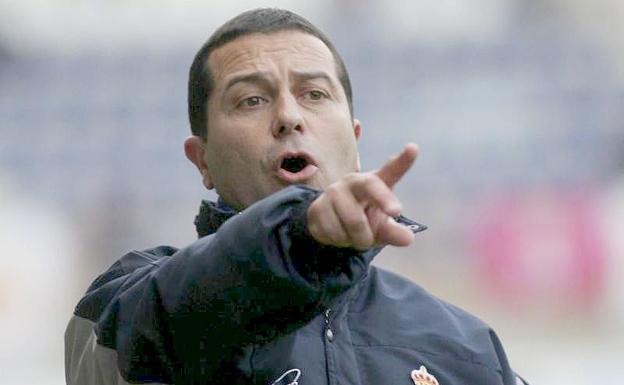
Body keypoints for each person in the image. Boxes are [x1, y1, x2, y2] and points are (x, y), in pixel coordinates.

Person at [65, 8, 528, 385]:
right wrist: (300, 236)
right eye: (251, 100)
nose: (289, 116)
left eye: (314, 94)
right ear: (201, 159)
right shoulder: (129, 309)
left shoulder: (466, 347)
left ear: (355, 136)